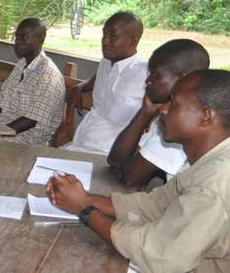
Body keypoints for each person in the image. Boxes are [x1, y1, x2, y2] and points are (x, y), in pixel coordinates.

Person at [46, 69, 230, 272]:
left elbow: (158, 255)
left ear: (206, 117)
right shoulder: (210, 160)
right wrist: (85, 198)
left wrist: (84, 210)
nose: (163, 109)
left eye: (174, 104)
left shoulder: (213, 184)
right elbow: (156, 205)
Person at [108, 39, 210, 185]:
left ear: (184, 79)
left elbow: (129, 177)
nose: (147, 81)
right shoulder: (167, 113)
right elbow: (116, 161)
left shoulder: (185, 123)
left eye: (155, 75)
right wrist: (145, 112)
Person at [64, 12, 147, 154]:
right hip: (80, 144)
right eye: (104, 35)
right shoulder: (105, 63)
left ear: (133, 41)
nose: (105, 41)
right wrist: (80, 87)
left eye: (113, 37)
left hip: (108, 154)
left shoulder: (146, 74)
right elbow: (94, 81)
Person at [0, 18, 65, 145]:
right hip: (4, 127)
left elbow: (30, 121)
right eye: (17, 36)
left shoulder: (48, 75)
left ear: (41, 39)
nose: (18, 41)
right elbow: (2, 106)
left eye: (25, 37)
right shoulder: (21, 65)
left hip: (27, 138)